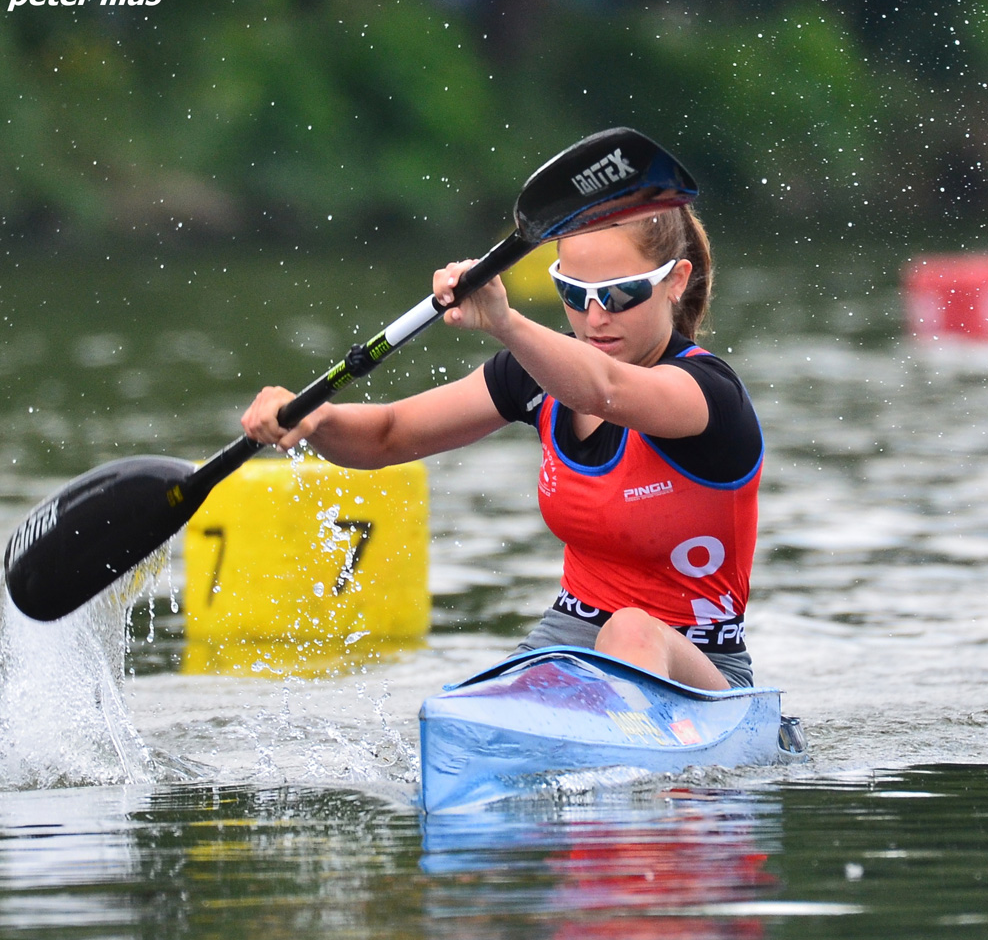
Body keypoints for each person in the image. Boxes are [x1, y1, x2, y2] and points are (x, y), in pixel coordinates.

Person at [241, 205, 763, 690]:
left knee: (630, 630)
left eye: (620, 294)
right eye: (575, 293)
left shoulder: (709, 394)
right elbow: (388, 435)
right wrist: (316, 418)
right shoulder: (533, 377)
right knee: (457, 716)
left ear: (675, 281)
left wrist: (505, 323)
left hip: (701, 671)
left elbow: (606, 390)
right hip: (566, 642)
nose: (596, 317)